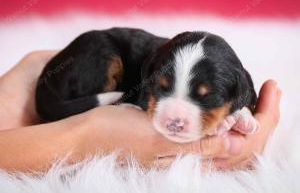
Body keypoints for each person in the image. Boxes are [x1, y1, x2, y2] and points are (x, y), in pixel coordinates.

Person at [0, 51, 281, 172]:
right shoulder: (149, 69)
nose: (177, 120)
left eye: (204, 99)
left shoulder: (231, 81)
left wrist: (239, 112)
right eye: (163, 90)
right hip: (73, 75)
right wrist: (82, 137)